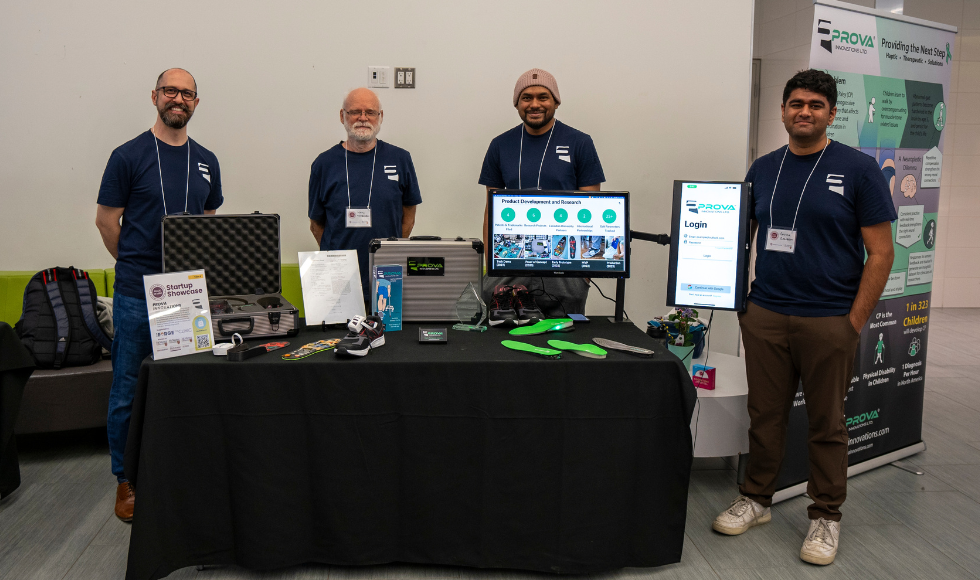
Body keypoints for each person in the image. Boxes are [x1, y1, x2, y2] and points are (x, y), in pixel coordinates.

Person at [712, 69, 895, 565]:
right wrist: (740, 303)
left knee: (826, 424)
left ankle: (825, 517)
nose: (804, 112)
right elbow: (739, 237)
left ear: (832, 113)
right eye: (796, 103)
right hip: (767, 314)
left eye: (815, 104)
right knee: (764, 415)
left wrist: (852, 323)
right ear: (784, 111)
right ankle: (757, 499)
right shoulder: (763, 168)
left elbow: (881, 252)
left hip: (829, 319)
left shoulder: (858, 170)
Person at [95, 68, 223, 522]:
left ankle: (181, 469)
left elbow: (209, 222)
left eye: (187, 93)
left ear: (195, 103)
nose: (178, 99)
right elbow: (108, 222)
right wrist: (135, 264)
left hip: (187, 297)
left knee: (186, 385)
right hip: (135, 294)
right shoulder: (127, 156)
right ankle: (125, 480)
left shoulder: (206, 159)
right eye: (171, 90)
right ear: (154, 96)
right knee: (128, 389)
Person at [479, 68, 605, 321]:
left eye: (543, 97)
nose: (534, 104)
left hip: (564, 261)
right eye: (526, 97)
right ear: (517, 103)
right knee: (502, 335)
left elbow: (593, 211)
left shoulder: (580, 142)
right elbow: (490, 210)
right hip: (511, 256)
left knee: (566, 334)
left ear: (556, 101)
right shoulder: (500, 145)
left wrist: (585, 271)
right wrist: (491, 262)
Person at [308, 88, 421, 304]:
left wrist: (392, 251)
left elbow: (409, 215)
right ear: (342, 116)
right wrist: (336, 259)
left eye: (370, 112)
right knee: (338, 337)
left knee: (394, 337)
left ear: (380, 116)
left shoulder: (401, 159)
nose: (363, 118)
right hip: (339, 280)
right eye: (355, 112)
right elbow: (316, 225)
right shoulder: (323, 164)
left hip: (387, 275)